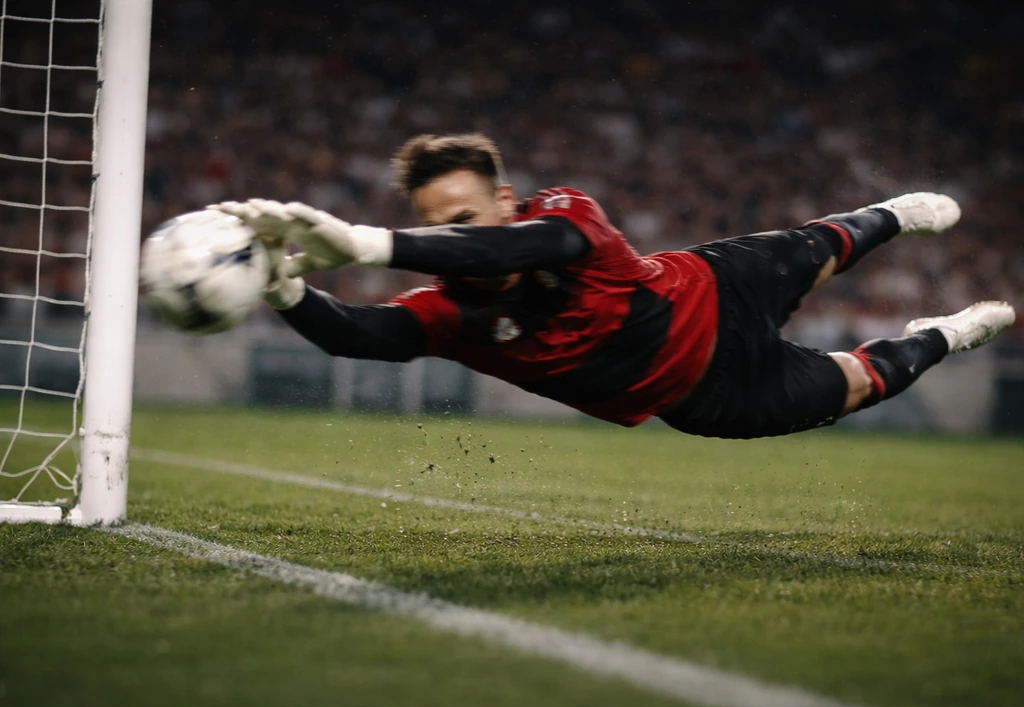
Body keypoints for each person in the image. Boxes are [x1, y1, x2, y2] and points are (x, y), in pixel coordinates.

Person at [210, 133, 1015, 439]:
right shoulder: (450, 312)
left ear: (503, 199)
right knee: (867, 381)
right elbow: (360, 334)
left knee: (827, 243)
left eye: (468, 215)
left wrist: (363, 242)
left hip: (718, 286)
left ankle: (895, 209)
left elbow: (523, 247)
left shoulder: (564, 216)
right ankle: (946, 332)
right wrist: (284, 291)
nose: (462, 233)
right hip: (707, 397)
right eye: (440, 223)